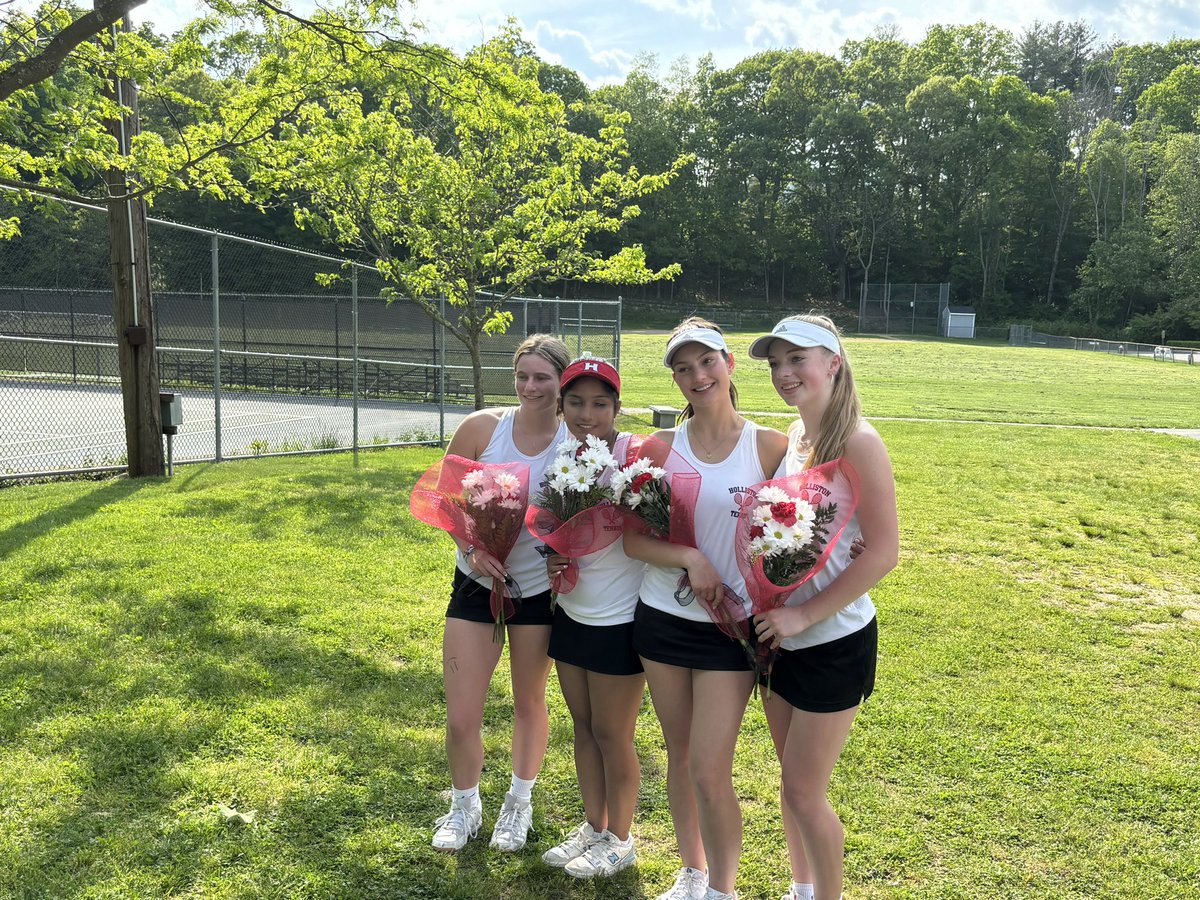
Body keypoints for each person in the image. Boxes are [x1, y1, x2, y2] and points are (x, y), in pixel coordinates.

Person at [624, 318, 788, 900]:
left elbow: (795, 534)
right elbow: (634, 541)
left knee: (709, 767)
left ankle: (722, 889)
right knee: (679, 754)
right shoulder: (659, 449)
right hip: (664, 621)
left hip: (731, 632)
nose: (698, 376)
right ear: (674, 378)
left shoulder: (769, 447)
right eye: (683, 368)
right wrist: (690, 555)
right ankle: (691, 872)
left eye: (707, 362)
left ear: (729, 364)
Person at [746, 314, 899, 900]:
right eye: (776, 363)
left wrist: (803, 616)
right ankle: (802, 887)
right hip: (782, 636)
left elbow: (884, 552)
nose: (784, 373)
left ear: (833, 363)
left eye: (797, 359)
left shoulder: (857, 439)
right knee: (791, 787)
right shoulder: (798, 435)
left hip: (831, 642)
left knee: (806, 792)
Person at [430, 334, 570, 853]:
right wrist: (471, 550)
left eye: (543, 378)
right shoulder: (482, 429)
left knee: (529, 701)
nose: (530, 387)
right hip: (476, 585)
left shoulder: (575, 442)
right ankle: (463, 804)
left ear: (562, 382)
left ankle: (519, 802)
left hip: (537, 591)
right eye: (522, 376)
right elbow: (444, 498)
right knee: (462, 713)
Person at [539, 355, 647, 879]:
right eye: (576, 402)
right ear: (561, 406)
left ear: (616, 408)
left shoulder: (634, 457)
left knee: (612, 733)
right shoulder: (559, 455)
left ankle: (621, 839)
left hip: (620, 620)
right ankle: (595, 826)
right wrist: (551, 554)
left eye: (600, 403)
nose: (587, 414)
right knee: (582, 728)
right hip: (571, 613)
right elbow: (548, 527)